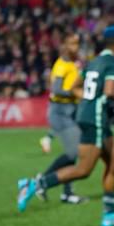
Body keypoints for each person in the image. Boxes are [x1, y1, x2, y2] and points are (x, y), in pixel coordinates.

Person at [17, 26, 114, 226]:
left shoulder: (93, 62)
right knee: (83, 169)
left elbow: (74, 87)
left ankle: (110, 216)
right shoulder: (113, 62)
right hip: (96, 118)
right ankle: (35, 185)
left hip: (90, 115)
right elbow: (110, 90)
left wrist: (89, 101)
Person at [39, 33, 87, 204]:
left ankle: (66, 192)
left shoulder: (73, 64)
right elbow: (56, 89)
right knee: (74, 152)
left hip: (70, 110)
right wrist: (76, 92)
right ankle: (42, 182)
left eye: (77, 44)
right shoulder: (62, 65)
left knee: (73, 153)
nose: (76, 47)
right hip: (60, 111)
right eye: (73, 44)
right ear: (65, 46)